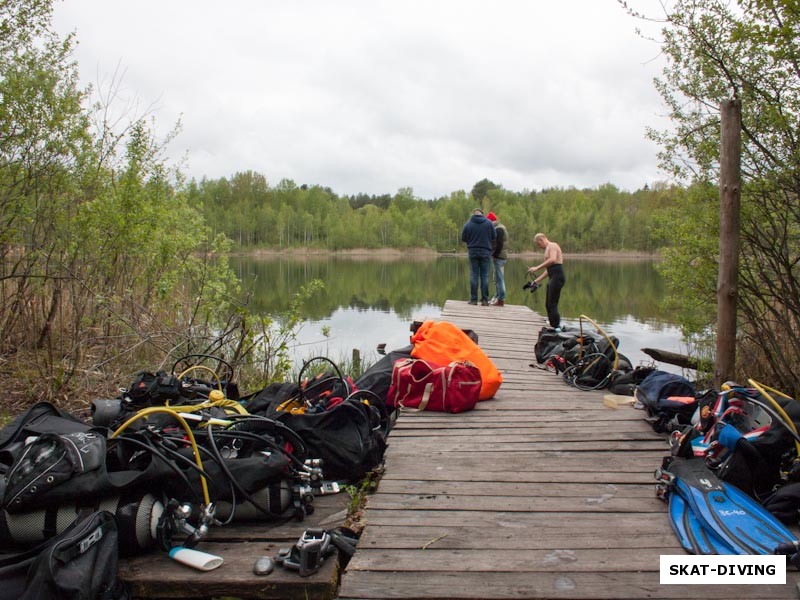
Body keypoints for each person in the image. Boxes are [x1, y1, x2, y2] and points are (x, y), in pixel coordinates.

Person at [527, 232, 565, 330]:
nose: (539, 247)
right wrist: (536, 281)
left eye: (539, 244)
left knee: (553, 304)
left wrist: (536, 268)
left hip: (558, 277)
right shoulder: (548, 248)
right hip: (553, 276)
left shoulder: (552, 245)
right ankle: (553, 326)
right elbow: (549, 270)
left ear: (541, 239)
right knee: (548, 304)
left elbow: (552, 260)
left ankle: (557, 328)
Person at [461, 208, 496, 306]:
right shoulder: (489, 223)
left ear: (473, 214)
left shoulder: (468, 224)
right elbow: (494, 236)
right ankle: (485, 300)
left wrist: (471, 240)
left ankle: (473, 300)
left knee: (473, 275)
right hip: (485, 252)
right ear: (482, 214)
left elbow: (463, 238)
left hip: (472, 251)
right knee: (484, 276)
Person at [486, 212, 508, 306]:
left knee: (499, 279)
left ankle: (501, 299)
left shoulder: (499, 229)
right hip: (500, 256)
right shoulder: (500, 227)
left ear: (491, 221)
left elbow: (499, 244)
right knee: (497, 278)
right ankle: (498, 297)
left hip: (499, 257)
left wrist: (495, 255)